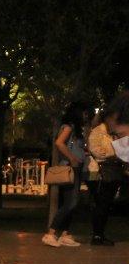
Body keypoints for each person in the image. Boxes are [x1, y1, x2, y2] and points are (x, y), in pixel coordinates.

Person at [42, 103, 88, 247]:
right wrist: (72, 158)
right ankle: (51, 233)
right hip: (70, 168)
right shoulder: (69, 127)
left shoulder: (76, 130)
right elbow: (59, 143)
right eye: (85, 113)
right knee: (71, 202)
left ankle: (65, 234)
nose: (86, 116)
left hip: (76, 167)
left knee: (71, 202)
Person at [88, 93, 129, 246]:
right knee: (103, 204)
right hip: (106, 171)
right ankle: (98, 234)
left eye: (119, 135)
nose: (119, 142)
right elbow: (97, 150)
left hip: (113, 170)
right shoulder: (99, 131)